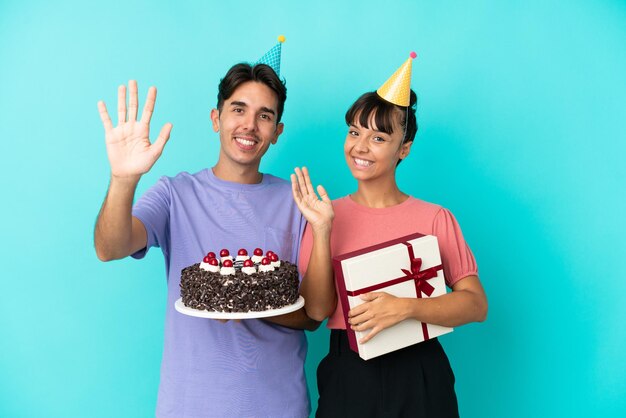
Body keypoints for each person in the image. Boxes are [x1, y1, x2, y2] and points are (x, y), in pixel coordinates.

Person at [94, 39, 317, 417]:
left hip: (278, 405)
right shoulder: (175, 193)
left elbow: (312, 315)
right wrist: (122, 180)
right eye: (238, 109)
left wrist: (240, 301)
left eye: (264, 115)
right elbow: (109, 247)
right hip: (190, 405)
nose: (249, 124)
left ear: (277, 130)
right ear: (216, 118)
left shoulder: (298, 201)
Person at [291, 53, 488, 417]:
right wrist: (321, 231)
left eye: (379, 137)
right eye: (354, 132)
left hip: (421, 371)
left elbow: (476, 304)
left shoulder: (435, 218)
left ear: (404, 149)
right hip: (348, 370)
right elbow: (317, 311)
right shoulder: (323, 215)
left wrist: (408, 308)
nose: (361, 147)